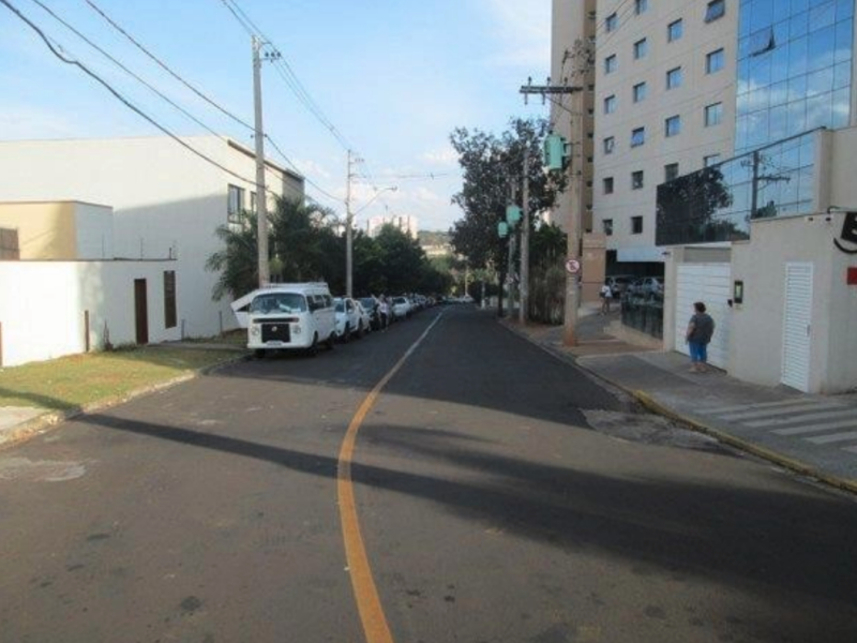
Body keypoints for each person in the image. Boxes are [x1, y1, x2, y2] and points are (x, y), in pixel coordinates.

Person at [686, 301, 715, 373]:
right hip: (704, 338)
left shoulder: (695, 317)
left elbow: (691, 327)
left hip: (694, 338)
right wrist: (709, 335)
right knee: (703, 352)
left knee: (694, 352)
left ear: (697, 309)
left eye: (694, 308)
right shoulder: (708, 317)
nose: (694, 309)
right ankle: (703, 367)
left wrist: (687, 336)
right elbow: (713, 326)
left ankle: (694, 367)